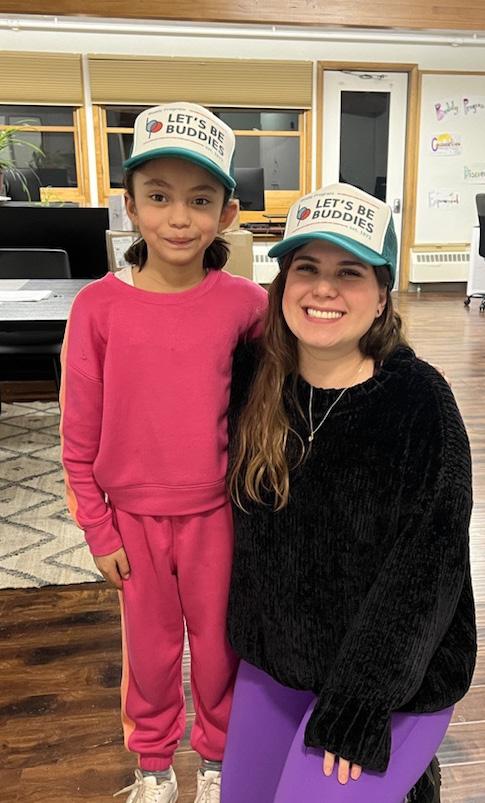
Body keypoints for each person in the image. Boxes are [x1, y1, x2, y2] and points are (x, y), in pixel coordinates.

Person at [221, 183, 477, 803]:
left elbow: (427, 576)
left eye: (350, 272)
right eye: (307, 268)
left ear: (382, 292)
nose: (324, 289)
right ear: (282, 282)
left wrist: (362, 703)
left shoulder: (419, 402)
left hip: (392, 681)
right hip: (282, 659)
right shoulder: (253, 374)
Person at [60, 102, 267, 803]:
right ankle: (152, 767)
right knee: (148, 656)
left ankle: (217, 762)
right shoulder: (97, 308)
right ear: (130, 206)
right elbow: (77, 433)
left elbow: (273, 406)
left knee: (220, 650)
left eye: (200, 200)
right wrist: (97, 528)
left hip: (219, 516)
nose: (179, 218)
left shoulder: (247, 305)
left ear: (227, 213)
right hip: (133, 524)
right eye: (158, 197)